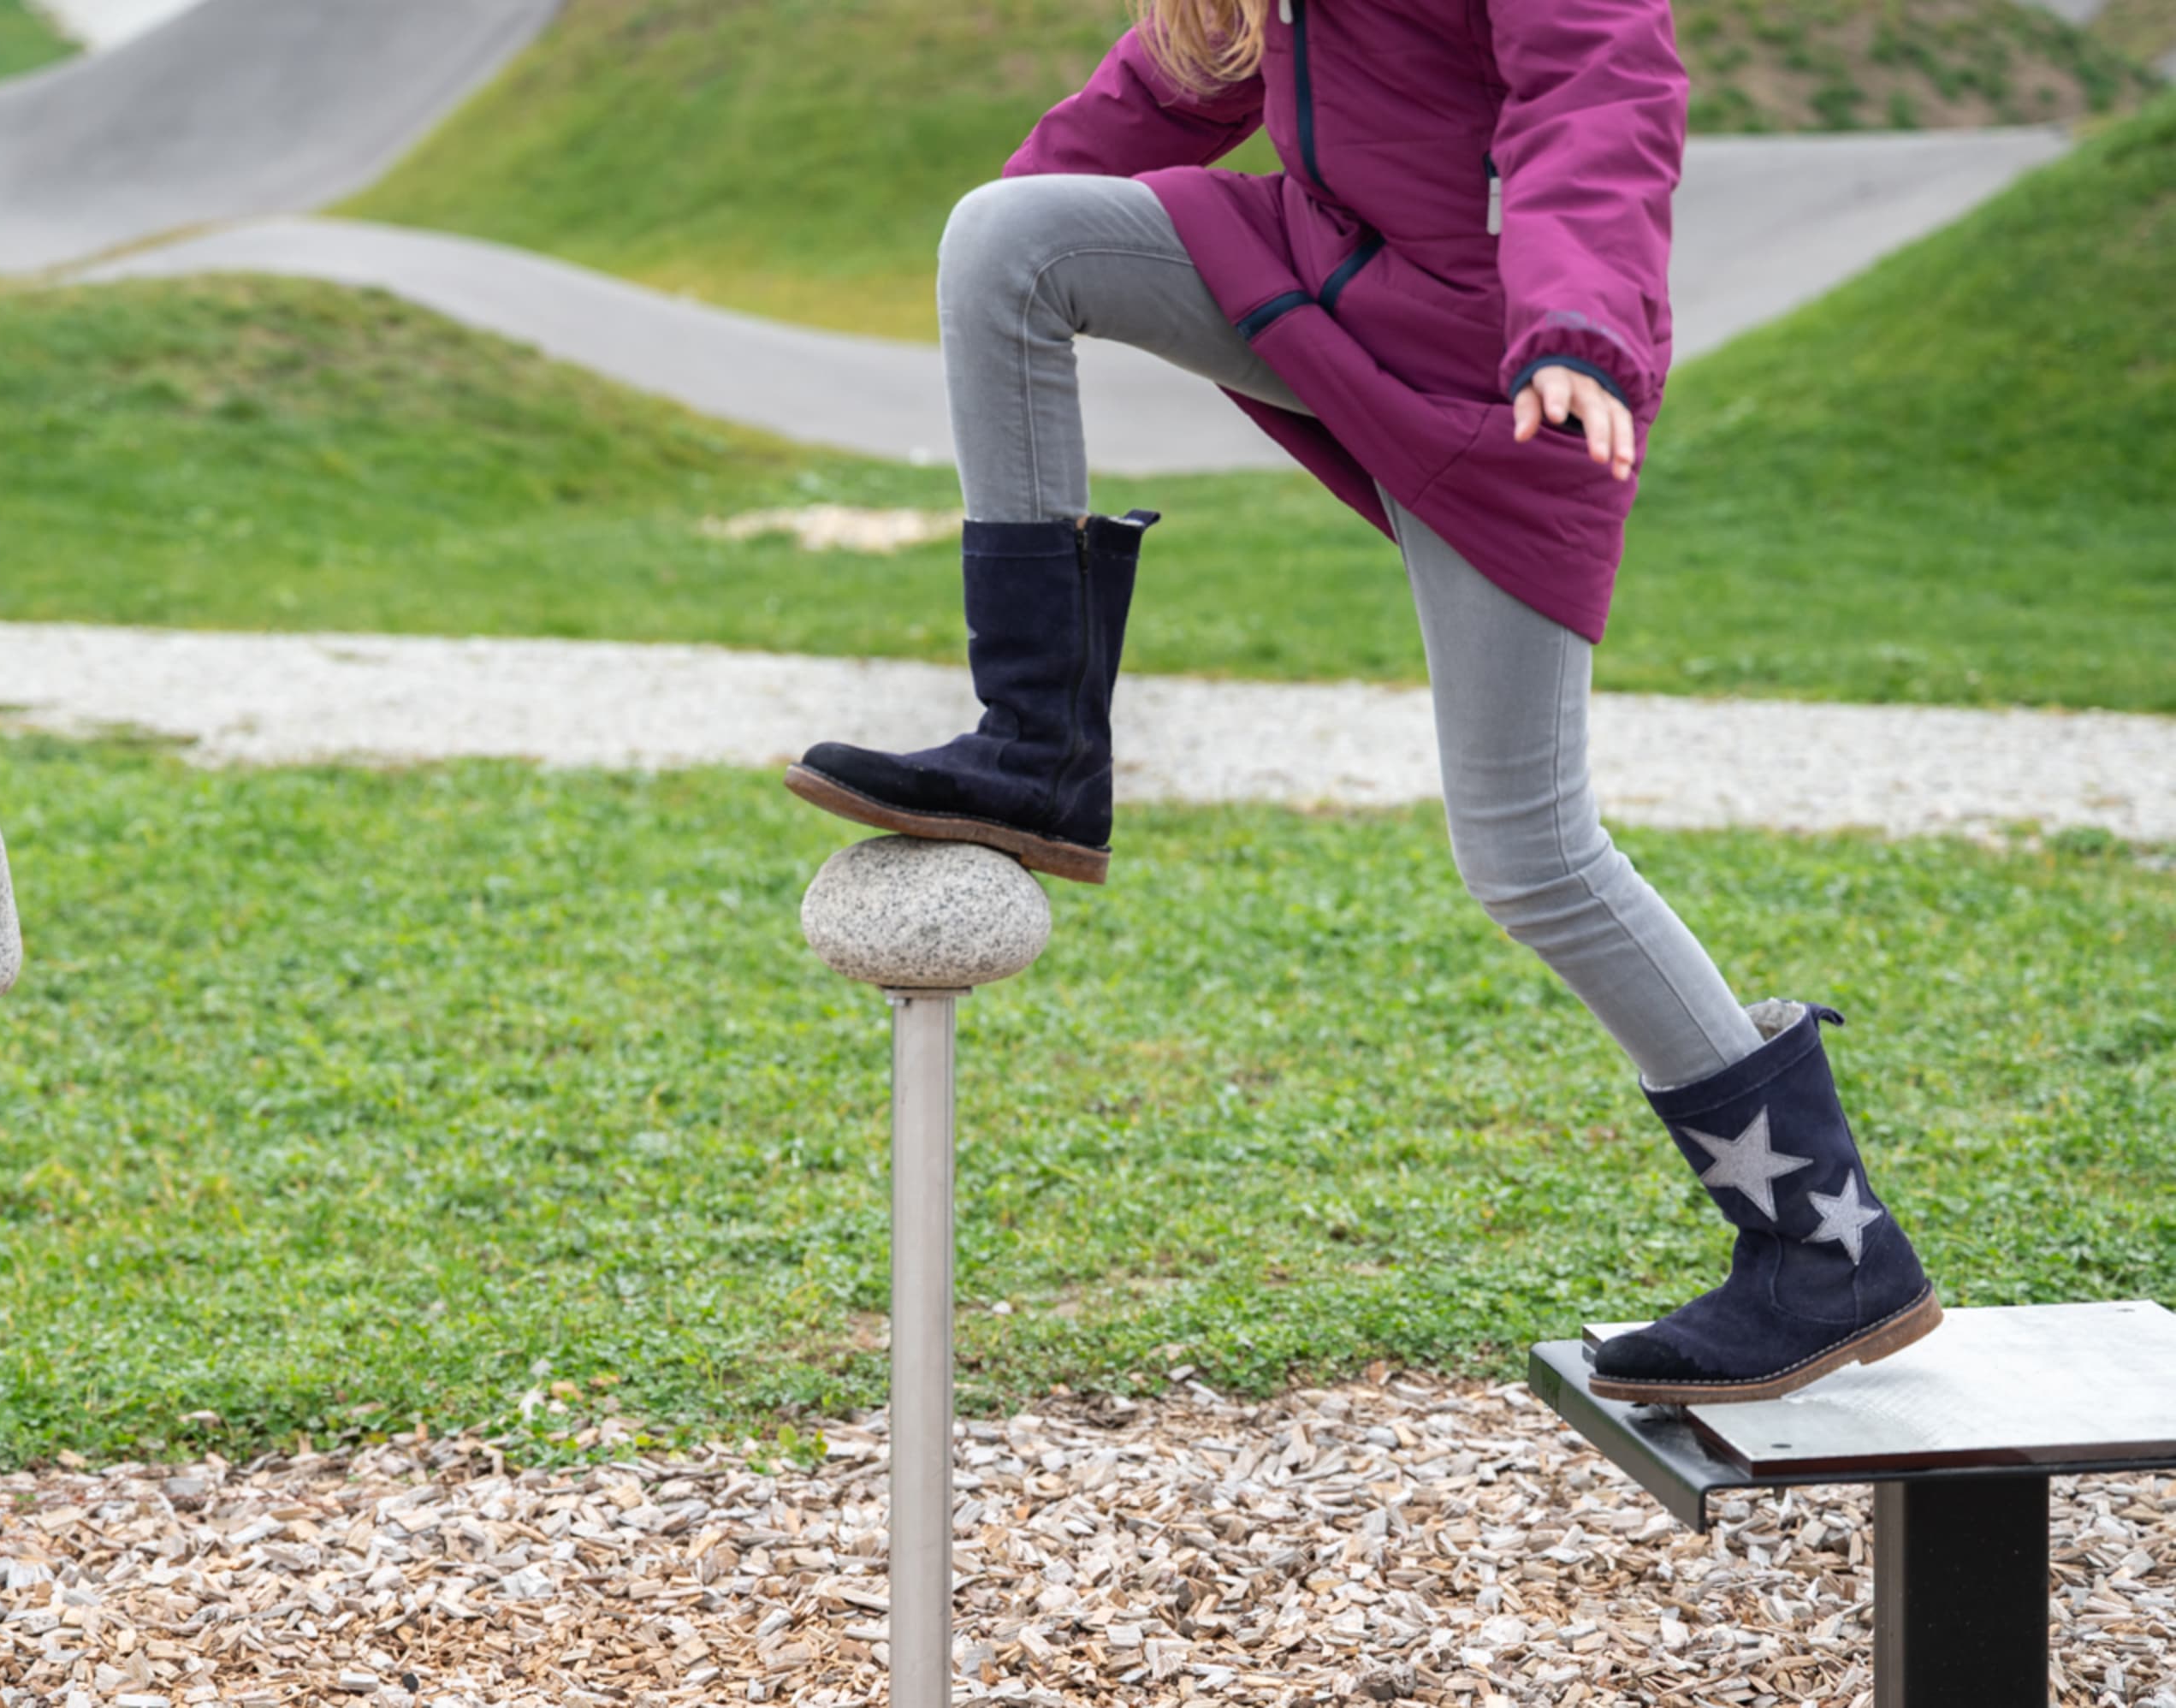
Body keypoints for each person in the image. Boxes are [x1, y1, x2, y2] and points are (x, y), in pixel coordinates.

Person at [783, 0, 1941, 1402]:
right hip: (1329, 285)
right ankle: (1035, 746)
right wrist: (1005, 274)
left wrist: (1580, 322)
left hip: (1517, 377)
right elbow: (1165, 91)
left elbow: (1601, 90)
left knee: (1535, 856)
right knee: (1006, 240)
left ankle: (1831, 1254)